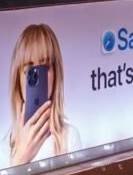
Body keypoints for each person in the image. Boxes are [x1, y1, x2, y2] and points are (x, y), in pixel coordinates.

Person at [8, 23, 82, 166]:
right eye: (30, 70)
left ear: (56, 74)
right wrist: (21, 158)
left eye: (45, 67)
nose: (38, 78)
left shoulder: (70, 138)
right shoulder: (4, 146)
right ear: (18, 78)